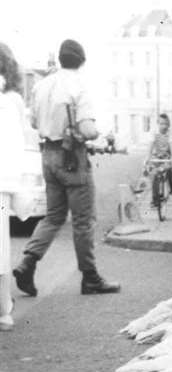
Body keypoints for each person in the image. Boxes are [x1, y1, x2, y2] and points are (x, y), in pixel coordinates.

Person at [11, 38, 119, 297]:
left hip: (48, 153)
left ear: (61, 59)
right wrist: (99, 134)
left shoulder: (42, 85)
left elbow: (35, 122)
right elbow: (87, 129)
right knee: (83, 220)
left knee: (53, 215)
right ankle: (90, 277)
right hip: (72, 157)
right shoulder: (79, 86)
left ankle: (28, 262)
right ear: (81, 61)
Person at [0, 41, 26, 330]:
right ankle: (3, 309)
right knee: (0, 248)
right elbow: (19, 142)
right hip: (2, 182)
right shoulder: (12, 101)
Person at [143, 113, 172, 214]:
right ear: (158, 124)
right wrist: (148, 158)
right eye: (161, 124)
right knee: (153, 175)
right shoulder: (153, 133)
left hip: (166, 158)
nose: (164, 126)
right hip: (155, 158)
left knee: (170, 169)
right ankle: (154, 200)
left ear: (168, 125)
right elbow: (150, 146)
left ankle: (171, 186)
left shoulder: (170, 134)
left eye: (166, 124)